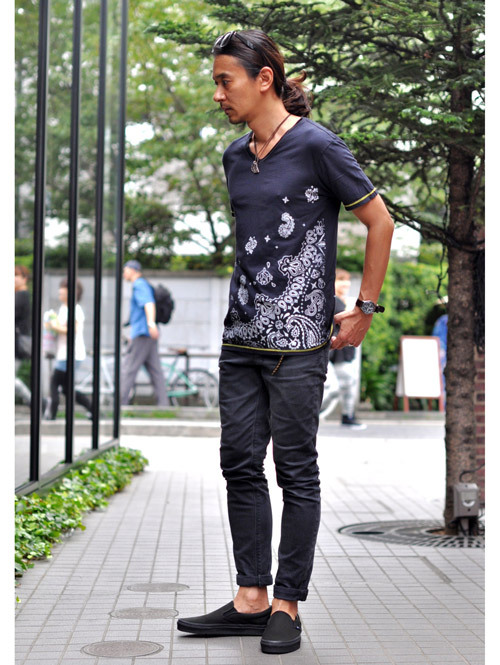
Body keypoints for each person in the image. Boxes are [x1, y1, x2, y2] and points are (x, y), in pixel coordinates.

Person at [176, 30, 394, 654]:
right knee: (238, 463)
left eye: (225, 81)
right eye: (216, 82)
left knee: (296, 471)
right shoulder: (234, 156)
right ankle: (251, 598)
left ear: (263, 79)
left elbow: (379, 221)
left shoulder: (318, 145)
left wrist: (364, 309)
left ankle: (287, 605)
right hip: (241, 338)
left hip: (299, 345)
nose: (218, 94)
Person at [44, 278, 93, 420]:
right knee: (67, 388)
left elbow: (73, 330)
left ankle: (51, 414)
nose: (60, 291)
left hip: (71, 353)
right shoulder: (63, 308)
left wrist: (55, 326)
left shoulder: (75, 309)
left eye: (64, 288)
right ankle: (92, 409)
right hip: (63, 353)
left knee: (54, 382)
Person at [120, 260, 167, 406]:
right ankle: (164, 406)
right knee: (155, 371)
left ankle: (119, 405)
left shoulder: (139, 284)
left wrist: (151, 324)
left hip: (142, 333)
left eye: (125, 270)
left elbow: (148, 303)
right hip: (146, 334)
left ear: (133, 270)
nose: (124, 273)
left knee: (129, 369)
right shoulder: (142, 284)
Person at [324, 268, 366, 429]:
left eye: (347, 280)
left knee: (349, 383)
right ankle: (310, 416)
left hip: (345, 350)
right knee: (332, 388)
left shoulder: (349, 301)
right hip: (330, 350)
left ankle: (348, 416)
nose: (345, 283)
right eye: (341, 280)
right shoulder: (329, 300)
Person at [15, 265, 33, 406]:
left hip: (16, 345)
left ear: (25, 278)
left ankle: (36, 401)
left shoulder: (21, 295)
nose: (13, 279)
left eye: (16, 275)